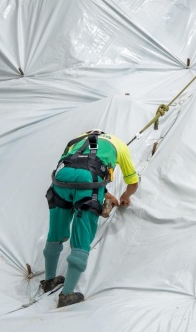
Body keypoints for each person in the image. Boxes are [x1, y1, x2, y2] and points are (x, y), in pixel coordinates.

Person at [38, 130, 139, 308]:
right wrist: (125, 196)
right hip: (90, 182)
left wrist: (106, 193)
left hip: (61, 179)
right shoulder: (120, 146)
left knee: (56, 232)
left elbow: (75, 168)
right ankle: (67, 294)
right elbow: (133, 182)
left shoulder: (78, 139)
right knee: (82, 236)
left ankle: (49, 281)